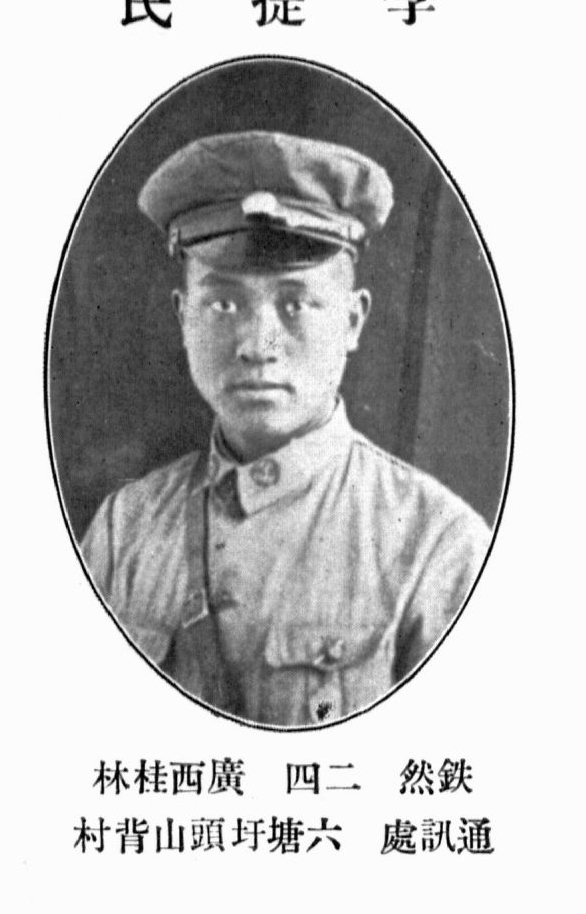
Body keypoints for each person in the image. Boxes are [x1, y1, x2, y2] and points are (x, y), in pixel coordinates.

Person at [81, 130, 491, 727]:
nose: (257, 345)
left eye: (295, 304)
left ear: (352, 321)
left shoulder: (438, 546)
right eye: (224, 304)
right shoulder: (124, 531)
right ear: (183, 318)